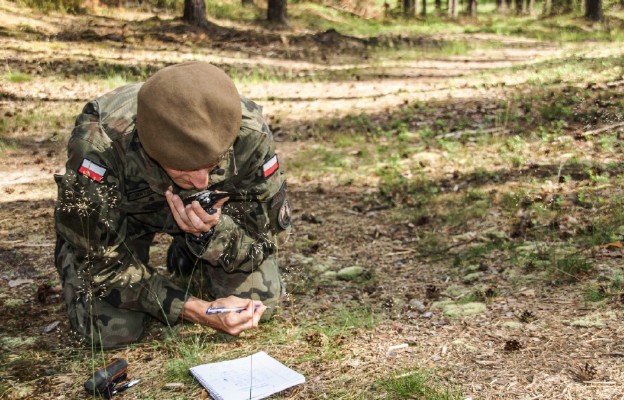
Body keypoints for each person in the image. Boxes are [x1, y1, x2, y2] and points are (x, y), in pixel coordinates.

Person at [54, 61, 291, 348]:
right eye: (184, 172)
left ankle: (190, 250)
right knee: (111, 331)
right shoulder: (100, 144)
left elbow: (265, 238)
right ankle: (70, 258)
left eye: (213, 165)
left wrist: (212, 233)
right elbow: (101, 265)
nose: (203, 182)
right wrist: (195, 310)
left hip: (210, 218)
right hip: (126, 221)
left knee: (257, 303)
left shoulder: (246, 130)